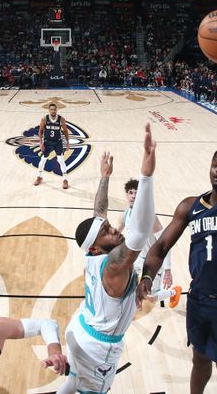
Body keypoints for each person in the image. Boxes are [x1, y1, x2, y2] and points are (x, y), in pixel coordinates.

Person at [139, 52, 217, 394]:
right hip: (199, 299)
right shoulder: (190, 206)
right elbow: (161, 245)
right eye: (216, 163)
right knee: (199, 359)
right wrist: (147, 276)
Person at [54, 123, 157, 394]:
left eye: (109, 226)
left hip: (80, 327)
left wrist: (104, 177)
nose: (113, 230)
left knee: (73, 380)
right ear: (97, 248)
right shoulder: (113, 264)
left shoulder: (93, 252)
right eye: (107, 232)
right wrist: (145, 177)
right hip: (98, 348)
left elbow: (99, 213)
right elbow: (141, 231)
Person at [115, 178, 182, 307]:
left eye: (137, 192)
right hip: (137, 258)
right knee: (122, 279)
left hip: (153, 261)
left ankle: (174, 291)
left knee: (150, 296)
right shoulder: (125, 215)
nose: (133, 196)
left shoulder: (149, 216)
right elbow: (115, 236)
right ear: (126, 195)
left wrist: (167, 269)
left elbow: (165, 242)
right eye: (130, 192)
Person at [33, 103, 71, 189]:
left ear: (56, 110)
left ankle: (65, 180)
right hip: (47, 142)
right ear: (49, 110)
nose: (53, 111)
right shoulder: (44, 119)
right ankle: (39, 177)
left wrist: (68, 143)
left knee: (61, 160)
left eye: (54, 109)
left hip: (58, 142)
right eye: (51, 109)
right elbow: (40, 131)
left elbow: (65, 131)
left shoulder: (61, 119)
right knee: (43, 160)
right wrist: (41, 143)